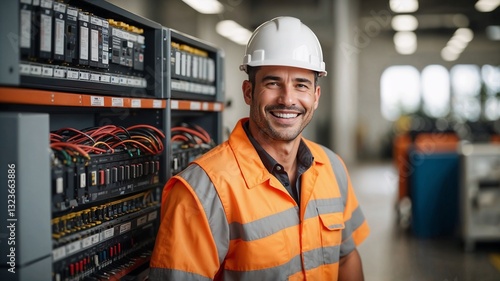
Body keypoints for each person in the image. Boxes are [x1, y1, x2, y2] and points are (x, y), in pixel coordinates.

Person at [149, 16, 370, 281]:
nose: (287, 99)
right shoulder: (202, 192)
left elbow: (346, 258)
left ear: (315, 96)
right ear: (248, 92)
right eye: (272, 83)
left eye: (301, 84)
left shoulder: (333, 167)